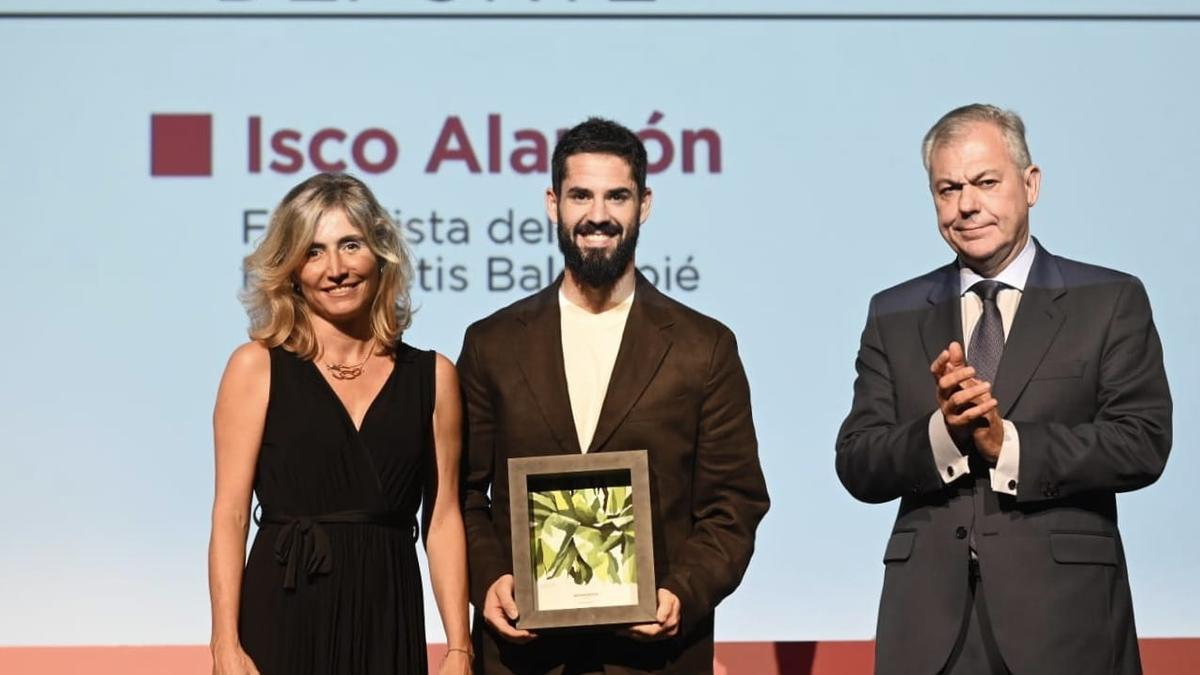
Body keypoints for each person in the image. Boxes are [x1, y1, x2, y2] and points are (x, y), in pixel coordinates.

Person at [836, 104, 1172, 675]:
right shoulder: (893, 313)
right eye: (948, 189)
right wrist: (943, 434)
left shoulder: (1109, 300)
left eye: (986, 182)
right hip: (928, 627)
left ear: (1030, 184)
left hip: (1066, 623)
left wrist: (1008, 445)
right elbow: (857, 461)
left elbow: (1141, 442)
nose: (967, 205)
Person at [457, 117, 770, 675]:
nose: (597, 215)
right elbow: (463, 494)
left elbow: (734, 504)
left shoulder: (704, 347)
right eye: (581, 195)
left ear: (643, 205)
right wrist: (489, 579)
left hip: (653, 658)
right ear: (553, 204)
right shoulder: (492, 344)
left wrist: (682, 592)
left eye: (616, 196)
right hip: (526, 656)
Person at [207, 173, 471, 675]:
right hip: (283, 612)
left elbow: (442, 522)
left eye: (351, 245)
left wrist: (460, 646)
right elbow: (230, 515)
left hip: (387, 613)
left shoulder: (433, 377)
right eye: (313, 252)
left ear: (380, 253)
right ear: (291, 270)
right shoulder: (255, 367)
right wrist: (225, 643)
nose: (336, 269)